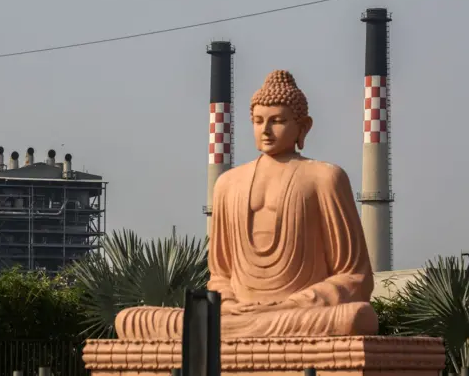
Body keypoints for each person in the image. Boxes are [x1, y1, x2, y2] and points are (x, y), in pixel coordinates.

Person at [114, 70, 379, 339]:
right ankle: (235, 328)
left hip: (298, 315)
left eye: (277, 121)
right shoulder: (228, 184)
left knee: (355, 317)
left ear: (304, 126)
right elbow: (220, 274)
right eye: (258, 121)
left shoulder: (324, 178)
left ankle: (241, 330)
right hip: (236, 314)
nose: (265, 130)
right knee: (132, 319)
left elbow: (355, 277)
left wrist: (295, 304)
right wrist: (228, 302)